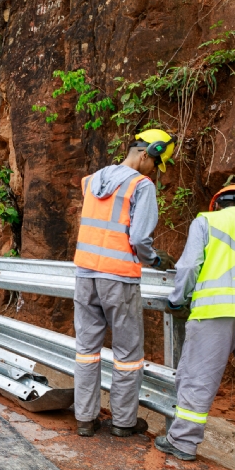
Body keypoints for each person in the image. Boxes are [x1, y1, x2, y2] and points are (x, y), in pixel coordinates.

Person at [155, 185, 235, 461]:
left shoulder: (206, 221)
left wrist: (178, 300)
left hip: (216, 311)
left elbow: (190, 266)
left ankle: (183, 441)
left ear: (217, 204)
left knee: (197, 375)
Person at [73, 129, 176, 438]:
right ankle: (123, 421)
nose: (154, 171)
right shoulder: (141, 185)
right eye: (155, 164)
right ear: (146, 154)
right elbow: (140, 238)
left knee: (87, 350)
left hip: (85, 275)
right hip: (118, 277)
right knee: (128, 353)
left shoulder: (93, 180)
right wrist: (154, 260)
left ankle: (85, 419)